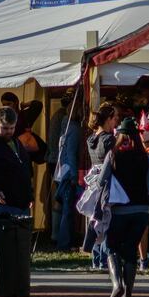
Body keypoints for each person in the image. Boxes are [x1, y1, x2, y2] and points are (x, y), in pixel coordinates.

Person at [100, 117, 149, 297]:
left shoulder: (113, 155)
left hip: (118, 210)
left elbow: (101, 181)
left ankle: (117, 285)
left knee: (111, 246)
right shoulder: (146, 157)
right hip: (141, 210)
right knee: (131, 250)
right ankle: (128, 296)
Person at [84, 103, 120, 269]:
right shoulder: (108, 139)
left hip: (93, 181)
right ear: (108, 119)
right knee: (106, 221)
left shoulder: (91, 138)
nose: (116, 121)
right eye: (115, 118)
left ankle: (96, 258)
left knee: (94, 219)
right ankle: (104, 259)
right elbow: (111, 162)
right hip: (105, 181)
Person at [50, 103, 85, 250]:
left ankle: (62, 239)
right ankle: (64, 242)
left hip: (62, 170)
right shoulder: (75, 129)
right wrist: (74, 174)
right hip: (68, 172)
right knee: (68, 209)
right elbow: (71, 153)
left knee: (66, 207)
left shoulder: (65, 128)